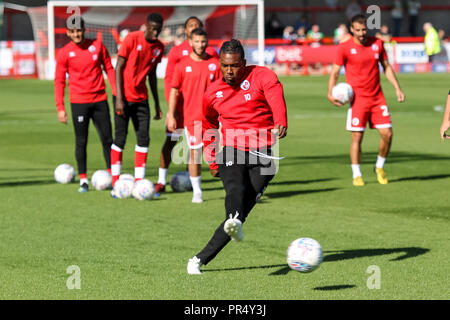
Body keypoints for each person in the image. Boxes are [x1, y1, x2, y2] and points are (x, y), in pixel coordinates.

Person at [186, 39, 288, 274]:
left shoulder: (263, 76)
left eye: (233, 66)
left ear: (243, 62)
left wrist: (281, 120)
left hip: (263, 155)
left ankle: (199, 259)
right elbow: (208, 124)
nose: (229, 71)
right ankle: (230, 223)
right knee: (235, 191)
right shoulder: (212, 92)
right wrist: (212, 158)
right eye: (224, 66)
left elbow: (275, 98)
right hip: (232, 148)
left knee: (240, 212)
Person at [327, 14, 405, 186]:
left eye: (364, 29)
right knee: (357, 137)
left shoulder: (377, 44)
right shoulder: (344, 47)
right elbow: (334, 72)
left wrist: (397, 88)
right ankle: (356, 174)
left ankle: (379, 166)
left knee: (388, 134)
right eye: (358, 30)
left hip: (378, 97)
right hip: (358, 100)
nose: (362, 33)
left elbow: (387, 67)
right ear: (352, 30)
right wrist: (330, 93)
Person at [155, 16, 219, 194]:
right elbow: (170, 81)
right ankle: (161, 180)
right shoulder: (177, 52)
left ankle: (196, 180)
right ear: (186, 31)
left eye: (197, 26)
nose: (194, 28)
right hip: (180, 109)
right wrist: (171, 110)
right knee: (171, 141)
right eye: (191, 26)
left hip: (199, 110)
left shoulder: (211, 54)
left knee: (198, 148)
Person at [54, 16, 115, 193]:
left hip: (100, 100)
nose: (76, 34)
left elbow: (109, 69)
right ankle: (83, 180)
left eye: (78, 30)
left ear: (84, 29)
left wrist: (116, 93)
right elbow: (59, 81)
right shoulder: (65, 52)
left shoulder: (97, 46)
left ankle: (113, 175)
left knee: (107, 139)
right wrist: (60, 107)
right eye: (72, 31)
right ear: (68, 33)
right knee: (81, 141)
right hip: (79, 102)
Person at [110, 13, 164, 192]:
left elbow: (152, 75)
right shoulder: (132, 39)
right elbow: (119, 67)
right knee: (120, 137)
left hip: (142, 99)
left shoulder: (159, 48)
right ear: (146, 26)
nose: (155, 33)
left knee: (144, 138)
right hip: (123, 98)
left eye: (158, 30)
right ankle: (115, 181)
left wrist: (156, 103)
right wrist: (119, 97)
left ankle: (140, 181)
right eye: (153, 29)